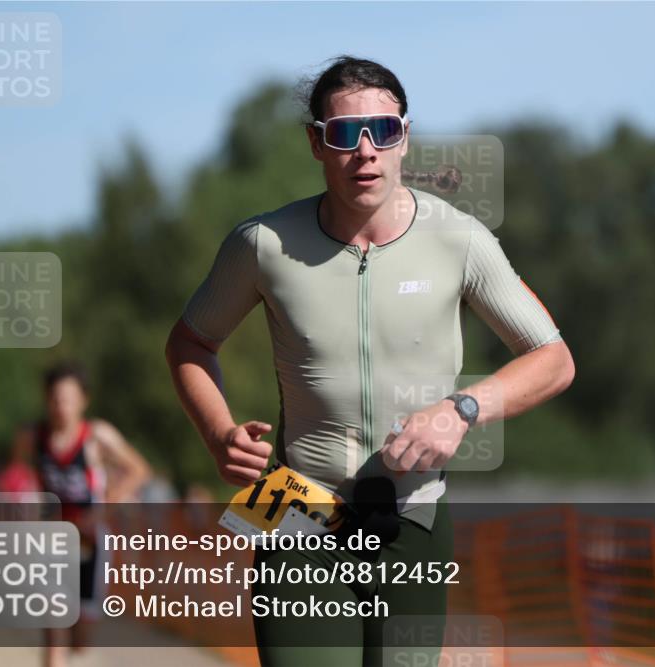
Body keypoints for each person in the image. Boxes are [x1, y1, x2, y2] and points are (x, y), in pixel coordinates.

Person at [165, 55, 575, 666]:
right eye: (343, 134)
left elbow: (554, 358)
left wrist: (463, 409)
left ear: (404, 137)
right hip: (293, 509)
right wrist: (218, 431)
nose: (365, 151)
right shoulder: (263, 245)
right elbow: (190, 343)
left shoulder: (459, 240)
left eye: (382, 131)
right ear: (315, 142)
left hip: (412, 516)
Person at [12, 361, 152, 667]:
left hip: (91, 541)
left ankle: (76, 644)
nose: (61, 405)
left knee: (81, 633)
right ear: (46, 399)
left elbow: (139, 470)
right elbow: (16, 472)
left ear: (83, 401)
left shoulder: (97, 436)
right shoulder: (32, 436)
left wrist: (104, 507)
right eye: (55, 398)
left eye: (68, 398)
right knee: (54, 623)